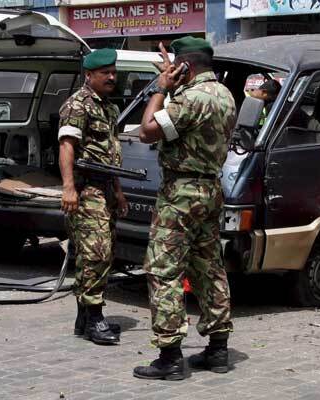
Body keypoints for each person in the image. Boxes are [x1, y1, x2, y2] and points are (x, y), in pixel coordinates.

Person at [132, 37, 237, 380]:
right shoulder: (224, 94)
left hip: (181, 192)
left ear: (185, 67)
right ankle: (218, 349)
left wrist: (159, 89)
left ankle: (170, 356)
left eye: (177, 67)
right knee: (208, 266)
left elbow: (147, 131)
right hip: (210, 189)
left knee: (163, 269)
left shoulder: (190, 99)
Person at [58, 49, 128, 345]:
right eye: (105, 73)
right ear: (90, 75)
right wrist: (69, 187)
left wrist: (119, 192)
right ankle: (95, 316)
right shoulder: (77, 105)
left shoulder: (108, 108)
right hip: (86, 191)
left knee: (103, 253)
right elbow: (66, 146)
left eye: (113, 72)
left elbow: (110, 154)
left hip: (106, 189)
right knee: (96, 253)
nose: (112, 77)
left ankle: (84, 317)